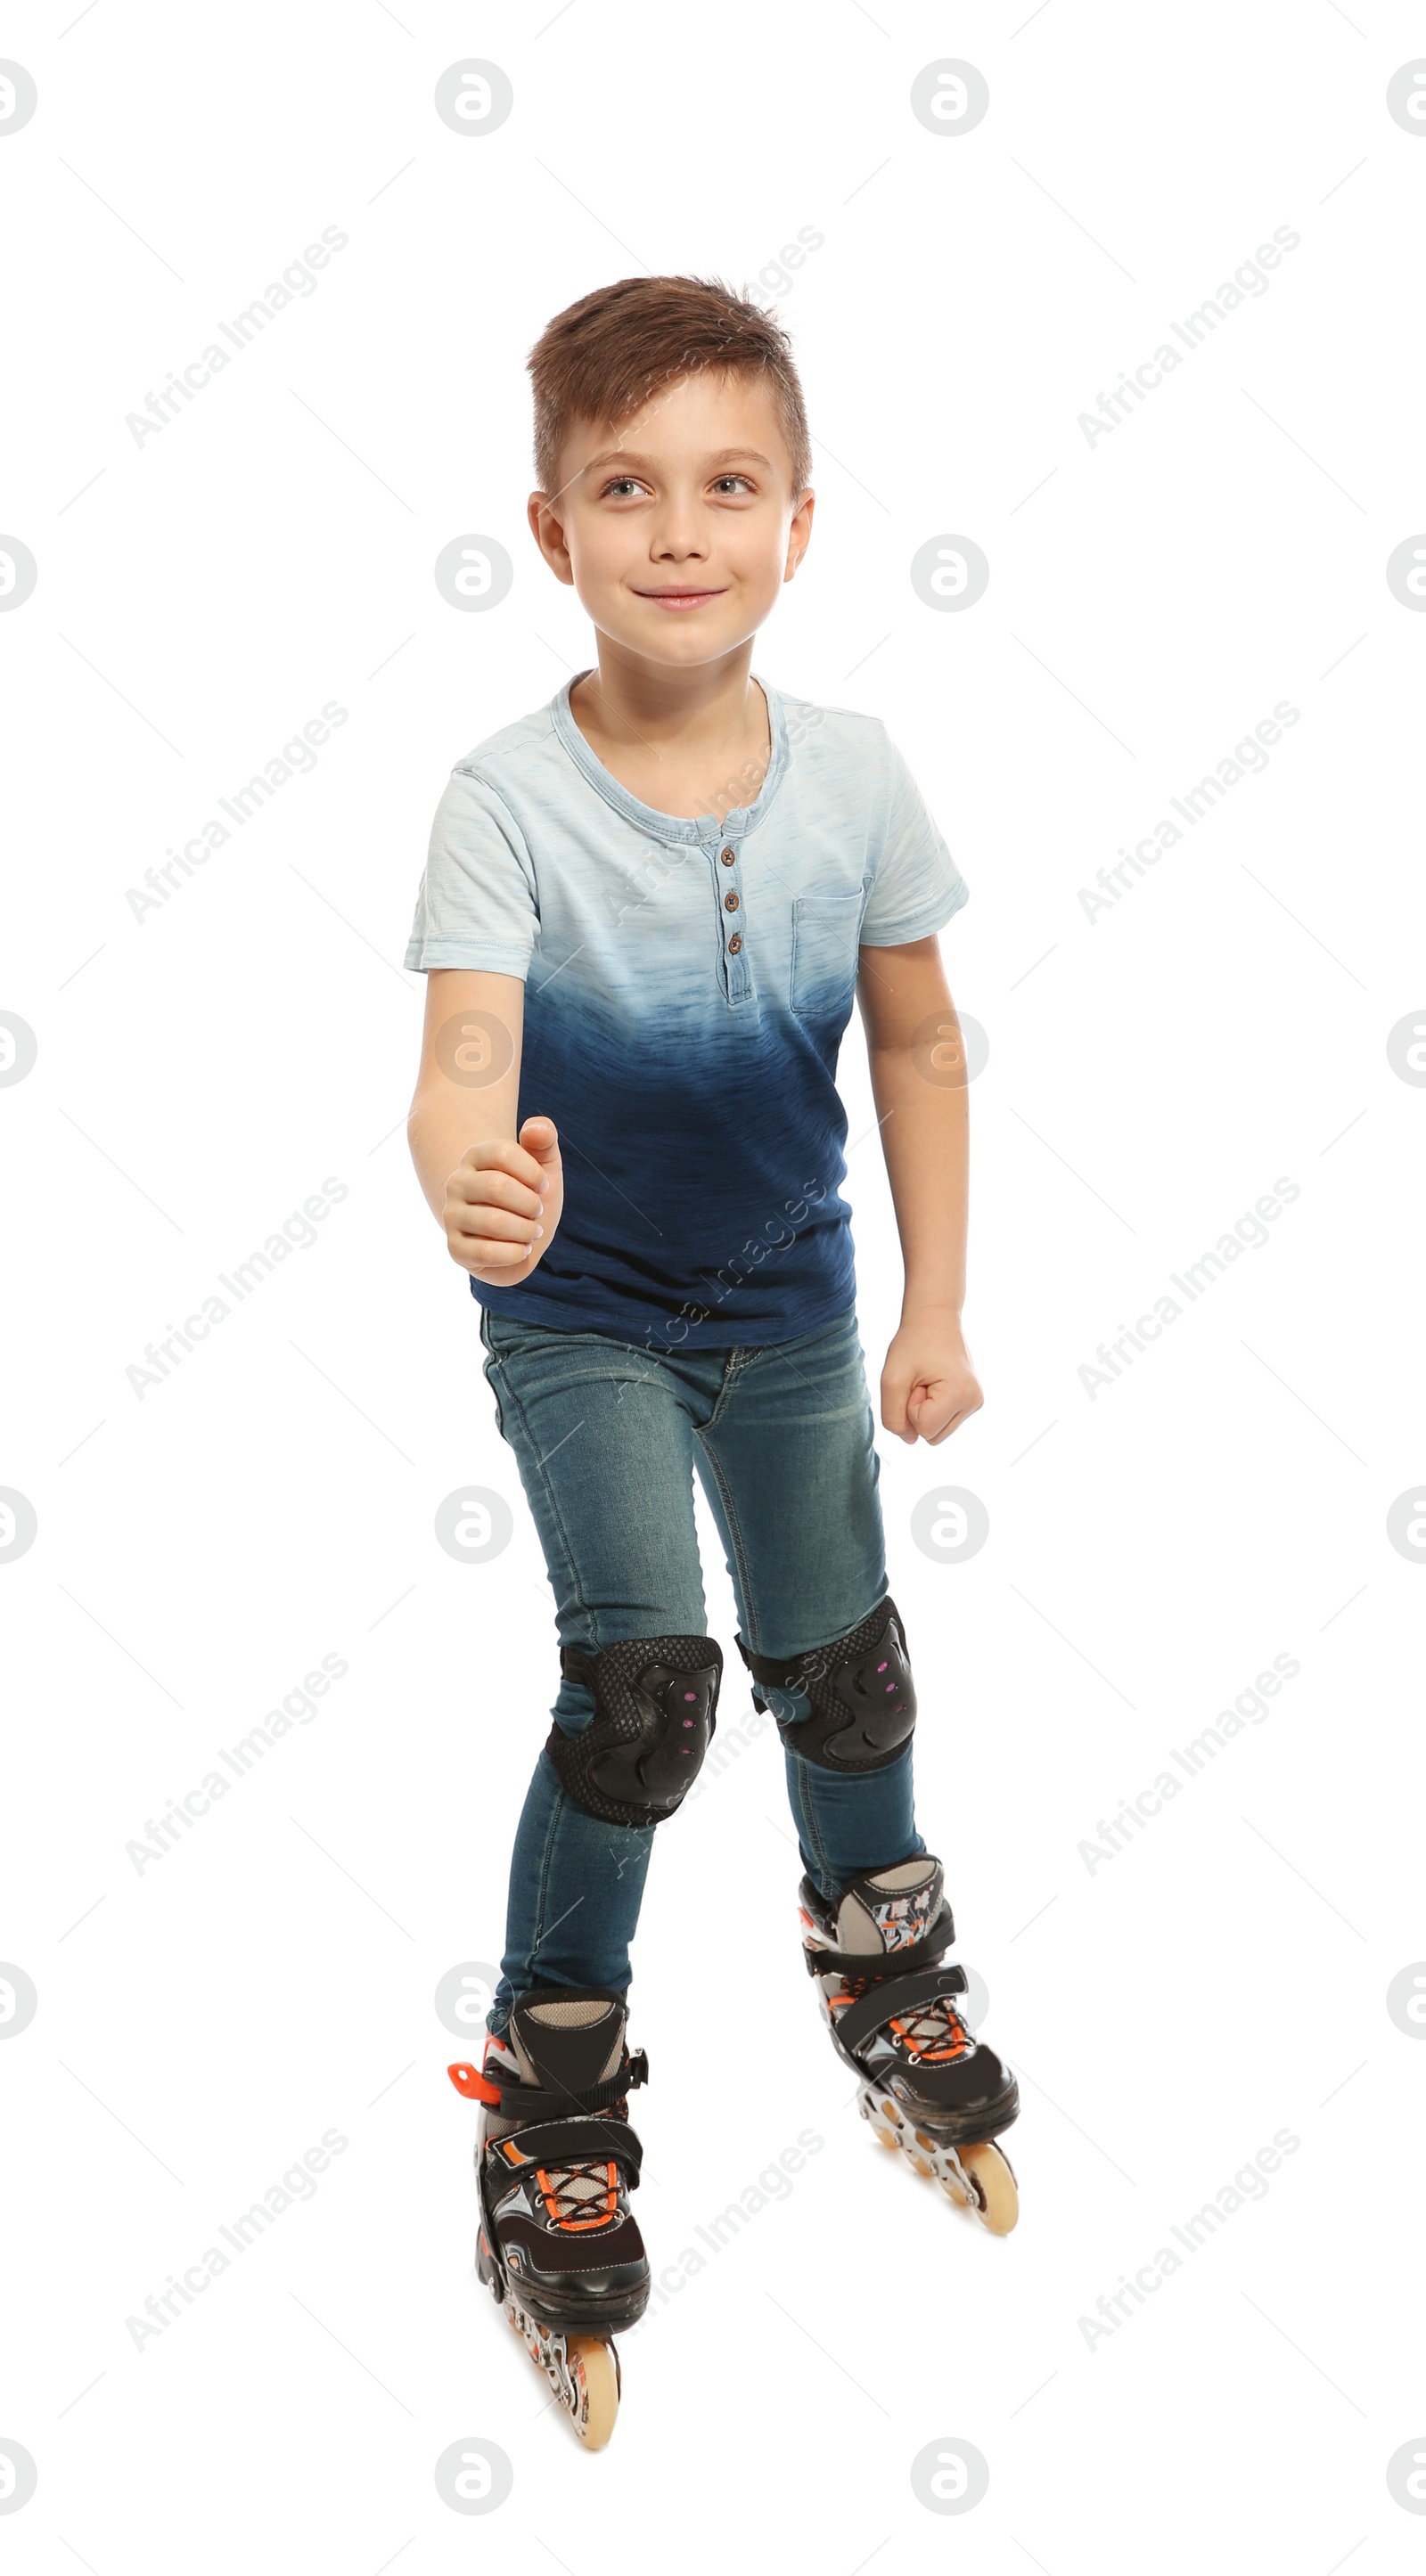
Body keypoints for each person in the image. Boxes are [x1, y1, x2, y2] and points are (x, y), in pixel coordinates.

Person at [406, 274, 1019, 2448]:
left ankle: (881, 1956)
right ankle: (546, 2093)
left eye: (725, 485)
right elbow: (457, 1061)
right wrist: (473, 1178)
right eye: (625, 487)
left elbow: (921, 1039)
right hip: (576, 1310)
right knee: (642, 1686)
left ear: (799, 521)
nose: (680, 529)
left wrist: (932, 1304)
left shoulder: (855, 775)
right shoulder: (503, 794)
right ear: (551, 528)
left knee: (839, 1655)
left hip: (785, 1306)